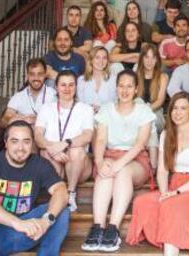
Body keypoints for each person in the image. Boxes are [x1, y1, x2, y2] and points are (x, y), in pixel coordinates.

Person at [126, 92, 189, 255]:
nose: (177, 112)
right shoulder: (166, 134)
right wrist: (166, 192)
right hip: (174, 184)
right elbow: (163, 170)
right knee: (142, 201)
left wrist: (176, 193)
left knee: (169, 205)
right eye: (174, 108)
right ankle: (168, 235)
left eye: (183, 108)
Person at [0, 120, 69, 256]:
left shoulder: (40, 164)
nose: (20, 147)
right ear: (6, 143)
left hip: (26, 233)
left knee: (61, 211)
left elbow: (61, 190)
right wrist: (16, 223)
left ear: (32, 144)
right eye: (14, 141)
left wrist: (46, 220)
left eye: (26, 141)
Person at [81, 70, 156, 252]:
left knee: (121, 172)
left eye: (129, 86)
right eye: (121, 86)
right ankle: (98, 227)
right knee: (105, 173)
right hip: (109, 154)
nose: (125, 90)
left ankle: (113, 228)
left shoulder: (144, 111)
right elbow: (100, 140)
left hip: (136, 159)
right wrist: (99, 162)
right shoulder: (107, 109)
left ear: (136, 89)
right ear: (116, 88)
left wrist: (118, 164)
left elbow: (139, 144)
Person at [35, 71, 94, 212]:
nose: (67, 88)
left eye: (71, 85)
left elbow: (87, 136)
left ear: (76, 87)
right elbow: (38, 136)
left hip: (79, 165)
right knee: (43, 151)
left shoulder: (85, 109)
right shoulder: (46, 108)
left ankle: (70, 193)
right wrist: (52, 148)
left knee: (76, 150)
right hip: (54, 159)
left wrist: (65, 143)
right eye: (63, 85)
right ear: (56, 87)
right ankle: (56, 194)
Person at [0, 58, 56, 130]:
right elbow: (3, 122)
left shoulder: (54, 94)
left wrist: (38, 119)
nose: (36, 78)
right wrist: (21, 119)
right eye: (32, 74)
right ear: (27, 76)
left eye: (40, 74)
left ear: (45, 75)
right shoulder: (18, 96)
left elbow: (60, 120)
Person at [137, 43, 168, 132]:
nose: (149, 61)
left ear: (157, 60)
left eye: (153, 57)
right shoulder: (135, 75)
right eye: (146, 57)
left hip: (155, 111)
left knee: (155, 120)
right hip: (138, 111)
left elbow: (160, 101)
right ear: (142, 59)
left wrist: (145, 110)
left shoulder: (163, 77)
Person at [77, 46, 117, 113]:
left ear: (107, 61)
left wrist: (101, 109)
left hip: (107, 118)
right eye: (97, 57)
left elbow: (116, 103)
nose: (101, 61)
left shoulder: (114, 79)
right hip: (86, 117)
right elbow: (80, 103)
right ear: (91, 60)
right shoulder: (81, 80)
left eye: (104, 58)